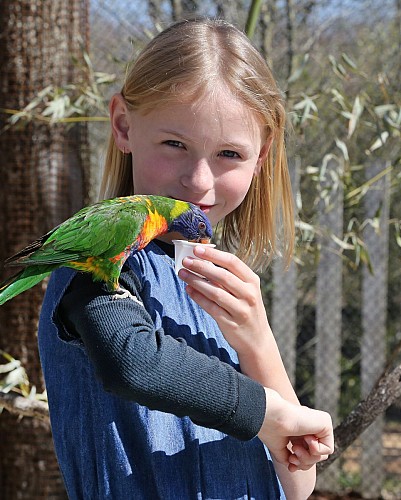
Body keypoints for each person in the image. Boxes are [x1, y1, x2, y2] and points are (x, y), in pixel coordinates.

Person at [38, 17, 334, 499]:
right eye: (175, 144)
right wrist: (271, 413)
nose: (199, 181)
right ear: (123, 126)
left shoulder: (222, 281)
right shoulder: (102, 255)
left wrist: (257, 340)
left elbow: (297, 483)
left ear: (261, 159)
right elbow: (134, 363)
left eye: (229, 154)